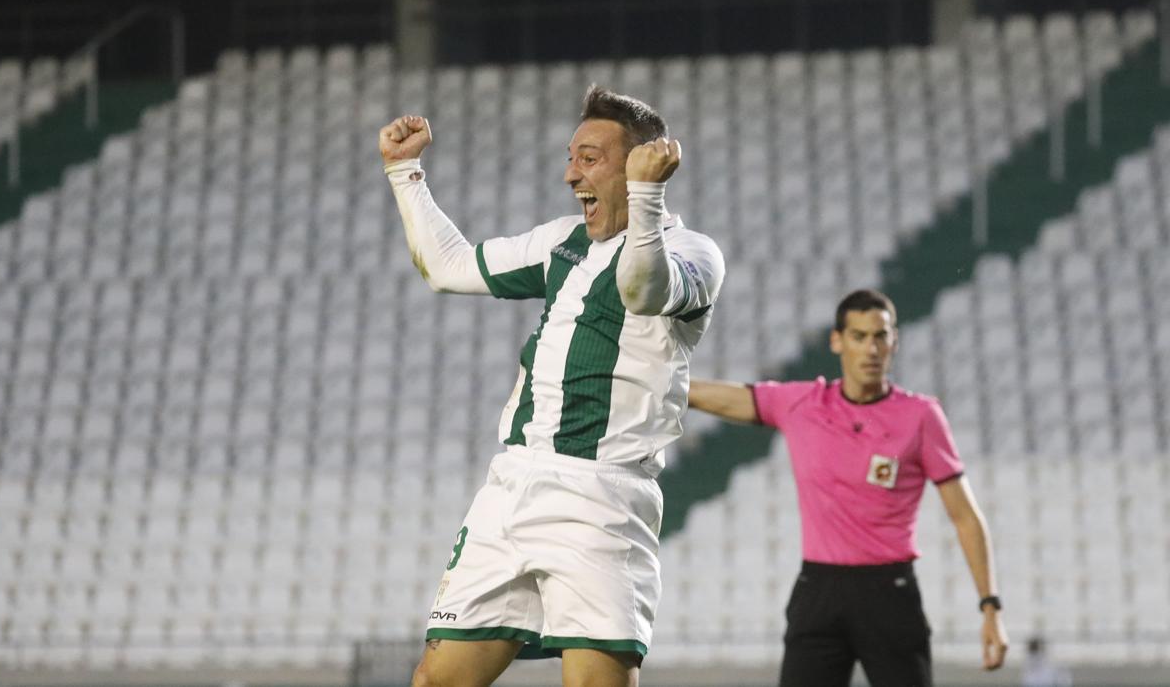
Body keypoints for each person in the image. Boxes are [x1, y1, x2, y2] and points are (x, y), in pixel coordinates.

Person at [379, 86, 725, 687]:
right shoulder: (561, 241)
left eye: (589, 158)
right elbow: (447, 268)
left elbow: (641, 290)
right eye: (571, 157)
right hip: (513, 484)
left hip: (604, 497)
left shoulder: (692, 252)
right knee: (437, 680)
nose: (571, 174)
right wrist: (404, 171)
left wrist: (647, 197)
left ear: (640, 161)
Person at [687, 289, 1008, 687]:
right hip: (819, 590)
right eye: (859, 336)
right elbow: (726, 397)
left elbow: (965, 517)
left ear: (894, 341)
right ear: (837, 341)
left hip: (890, 592)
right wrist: (663, 383)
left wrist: (990, 606)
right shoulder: (802, 403)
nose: (871, 348)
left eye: (880, 336)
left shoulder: (921, 416)